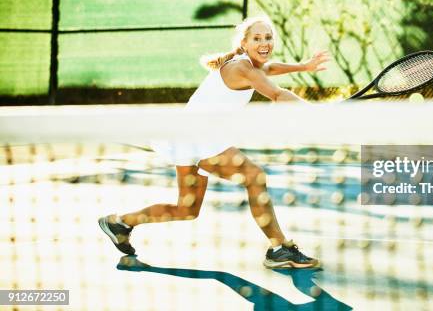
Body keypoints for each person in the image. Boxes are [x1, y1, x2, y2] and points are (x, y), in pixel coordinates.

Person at [98, 15, 329, 269]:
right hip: (198, 138)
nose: (264, 42)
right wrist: (317, 112)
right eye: (257, 38)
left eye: (268, 37)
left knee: (186, 209)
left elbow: (269, 68)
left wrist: (302, 67)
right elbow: (276, 93)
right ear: (244, 43)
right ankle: (279, 248)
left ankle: (120, 222)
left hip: (187, 136)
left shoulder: (248, 65)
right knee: (254, 177)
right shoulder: (242, 68)